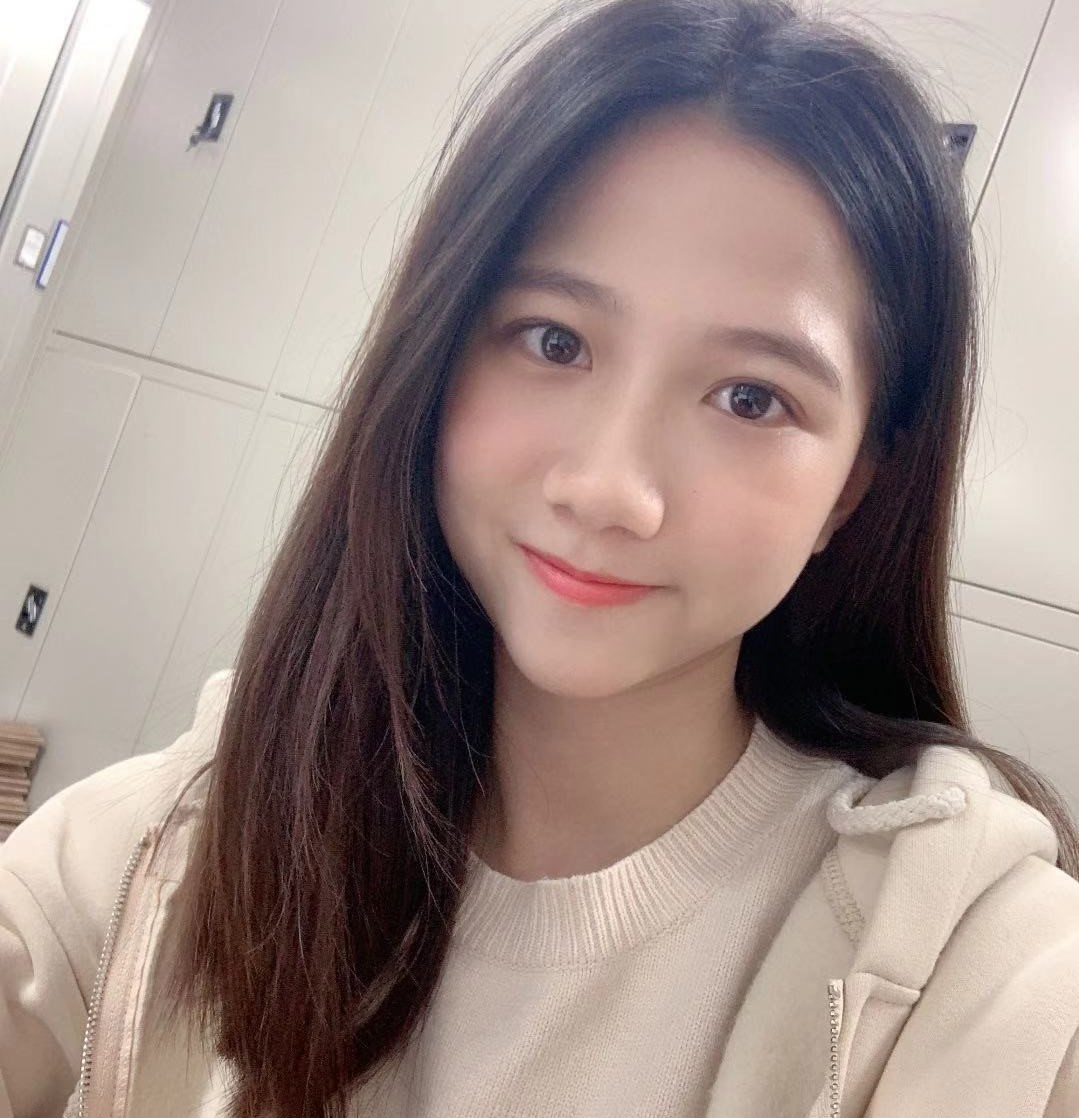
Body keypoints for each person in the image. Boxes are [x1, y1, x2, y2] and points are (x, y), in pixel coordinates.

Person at [3, 0, 1079, 1115]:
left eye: (750, 398)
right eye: (553, 340)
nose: (608, 486)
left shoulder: (969, 968)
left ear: (851, 487)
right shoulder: (186, 834)